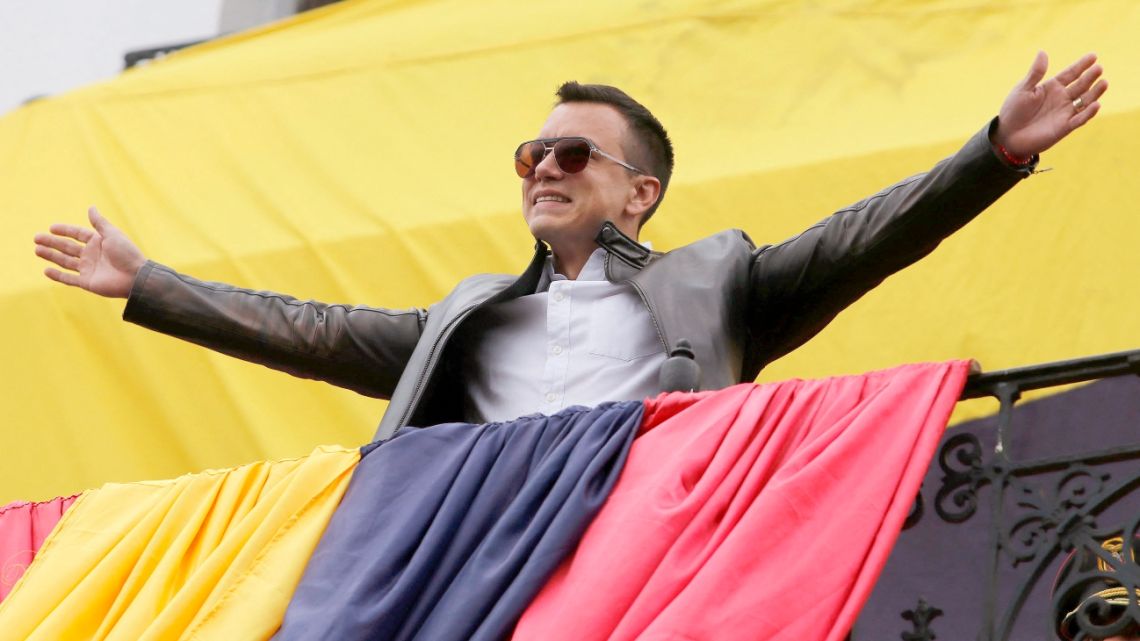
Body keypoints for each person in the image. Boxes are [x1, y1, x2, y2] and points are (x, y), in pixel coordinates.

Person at [33, 52, 1107, 440]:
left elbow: (863, 238)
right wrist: (148, 284)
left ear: (638, 192)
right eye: (530, 154)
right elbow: (307, 329)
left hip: (639, 539)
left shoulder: (717, 282)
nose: (543, 167)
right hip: (478, 544)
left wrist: (994, 153)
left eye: (572, 154)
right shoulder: (467, 315)